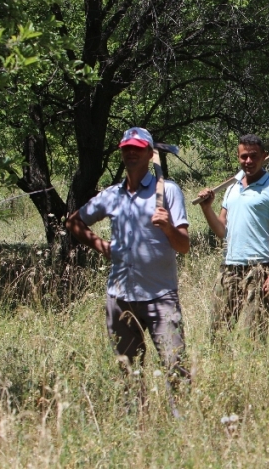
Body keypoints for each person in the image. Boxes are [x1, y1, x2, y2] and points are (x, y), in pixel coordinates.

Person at [66, 127, 191, 386]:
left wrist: (168, 227)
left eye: (137, 148)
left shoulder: (167, 191)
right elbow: (74, 222)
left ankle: (180, 423)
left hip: (160, 296)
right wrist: (101, 246)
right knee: (129, 374)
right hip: (120, 297)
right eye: (126, 148)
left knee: (176, 368)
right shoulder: (112, 195)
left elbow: (184, 246)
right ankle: (138, 422)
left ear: (149, 153)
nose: (131, 152)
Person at [197, 134, 269, 342]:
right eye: (244, 156)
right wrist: (206, 208)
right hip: (229, 268)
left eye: (254, 156)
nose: (248, 161)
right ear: (238, 157)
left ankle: (256, 373)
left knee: (254, 336)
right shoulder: (232, 189)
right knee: (217, 334)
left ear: (264, 156)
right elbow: (222, 231)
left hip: (259, 269)